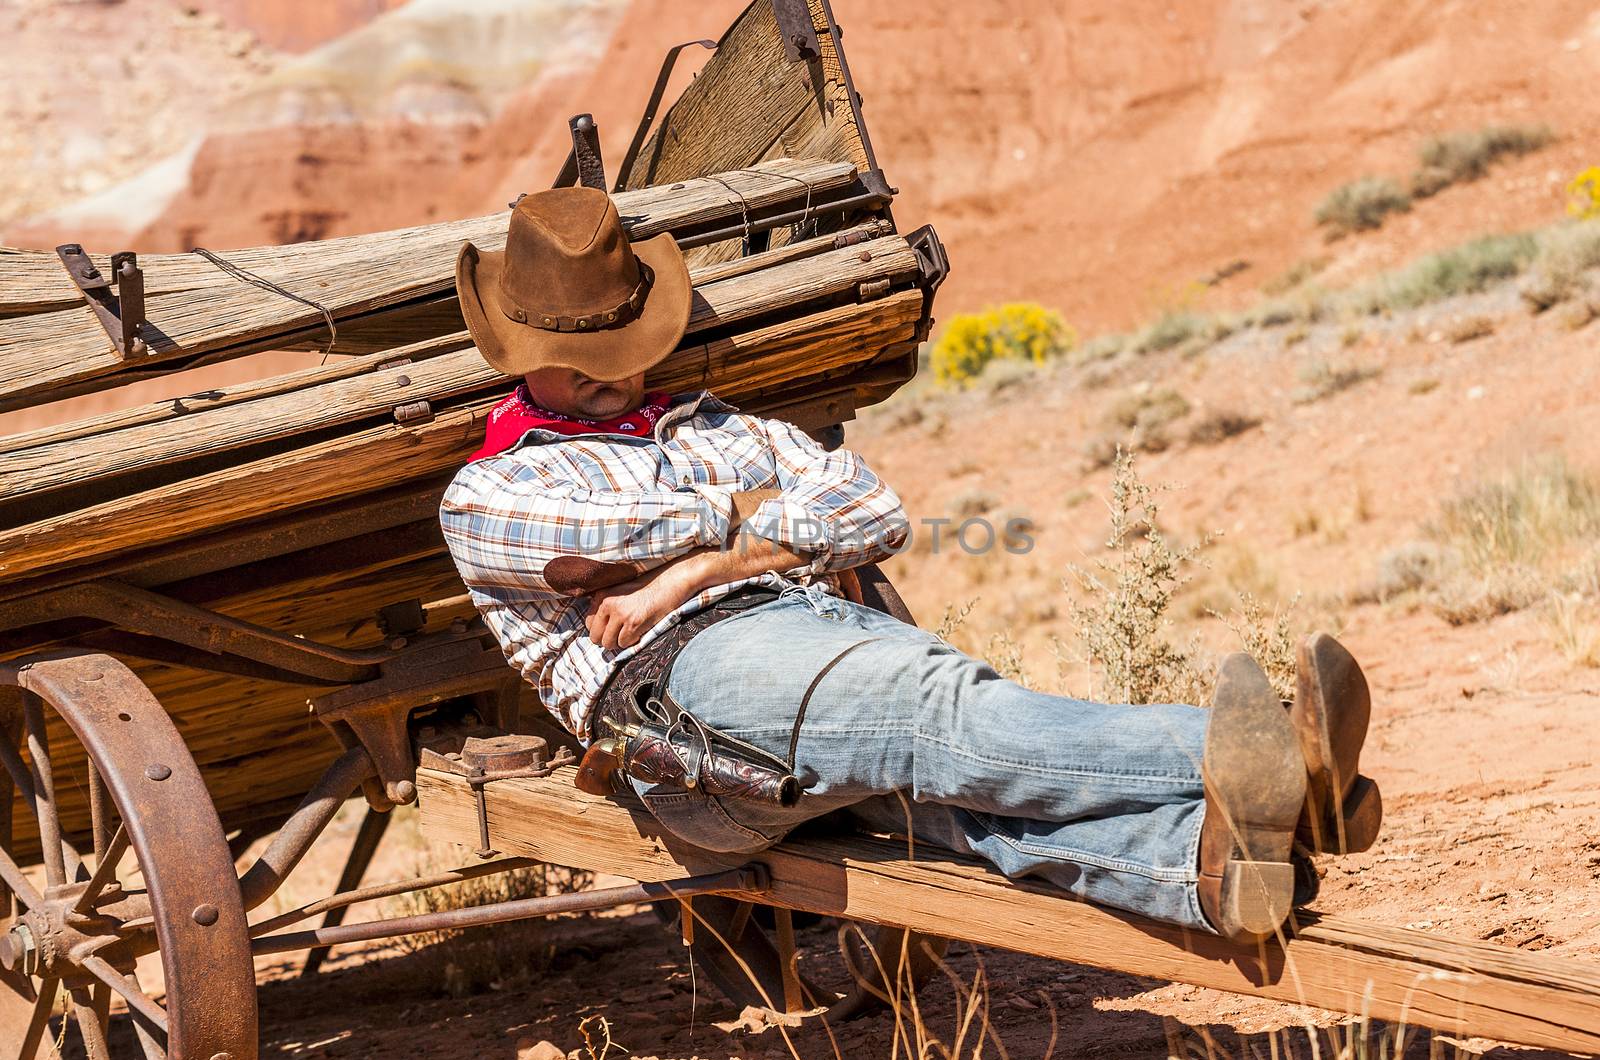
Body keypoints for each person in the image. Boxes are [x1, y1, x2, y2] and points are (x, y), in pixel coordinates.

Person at [440, 186, 1382, 942]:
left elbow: (873, 509)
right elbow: (614, 537)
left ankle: (1202, 871)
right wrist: (753, 520)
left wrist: (694, 570)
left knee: (952, 790)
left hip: (783, 643)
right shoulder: (489, 494)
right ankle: (1285, 760)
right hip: (681, 712)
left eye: (624, 347)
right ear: (523, 354)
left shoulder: (717, 424)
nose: (613, 371)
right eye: (582, 357)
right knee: (942, 710)